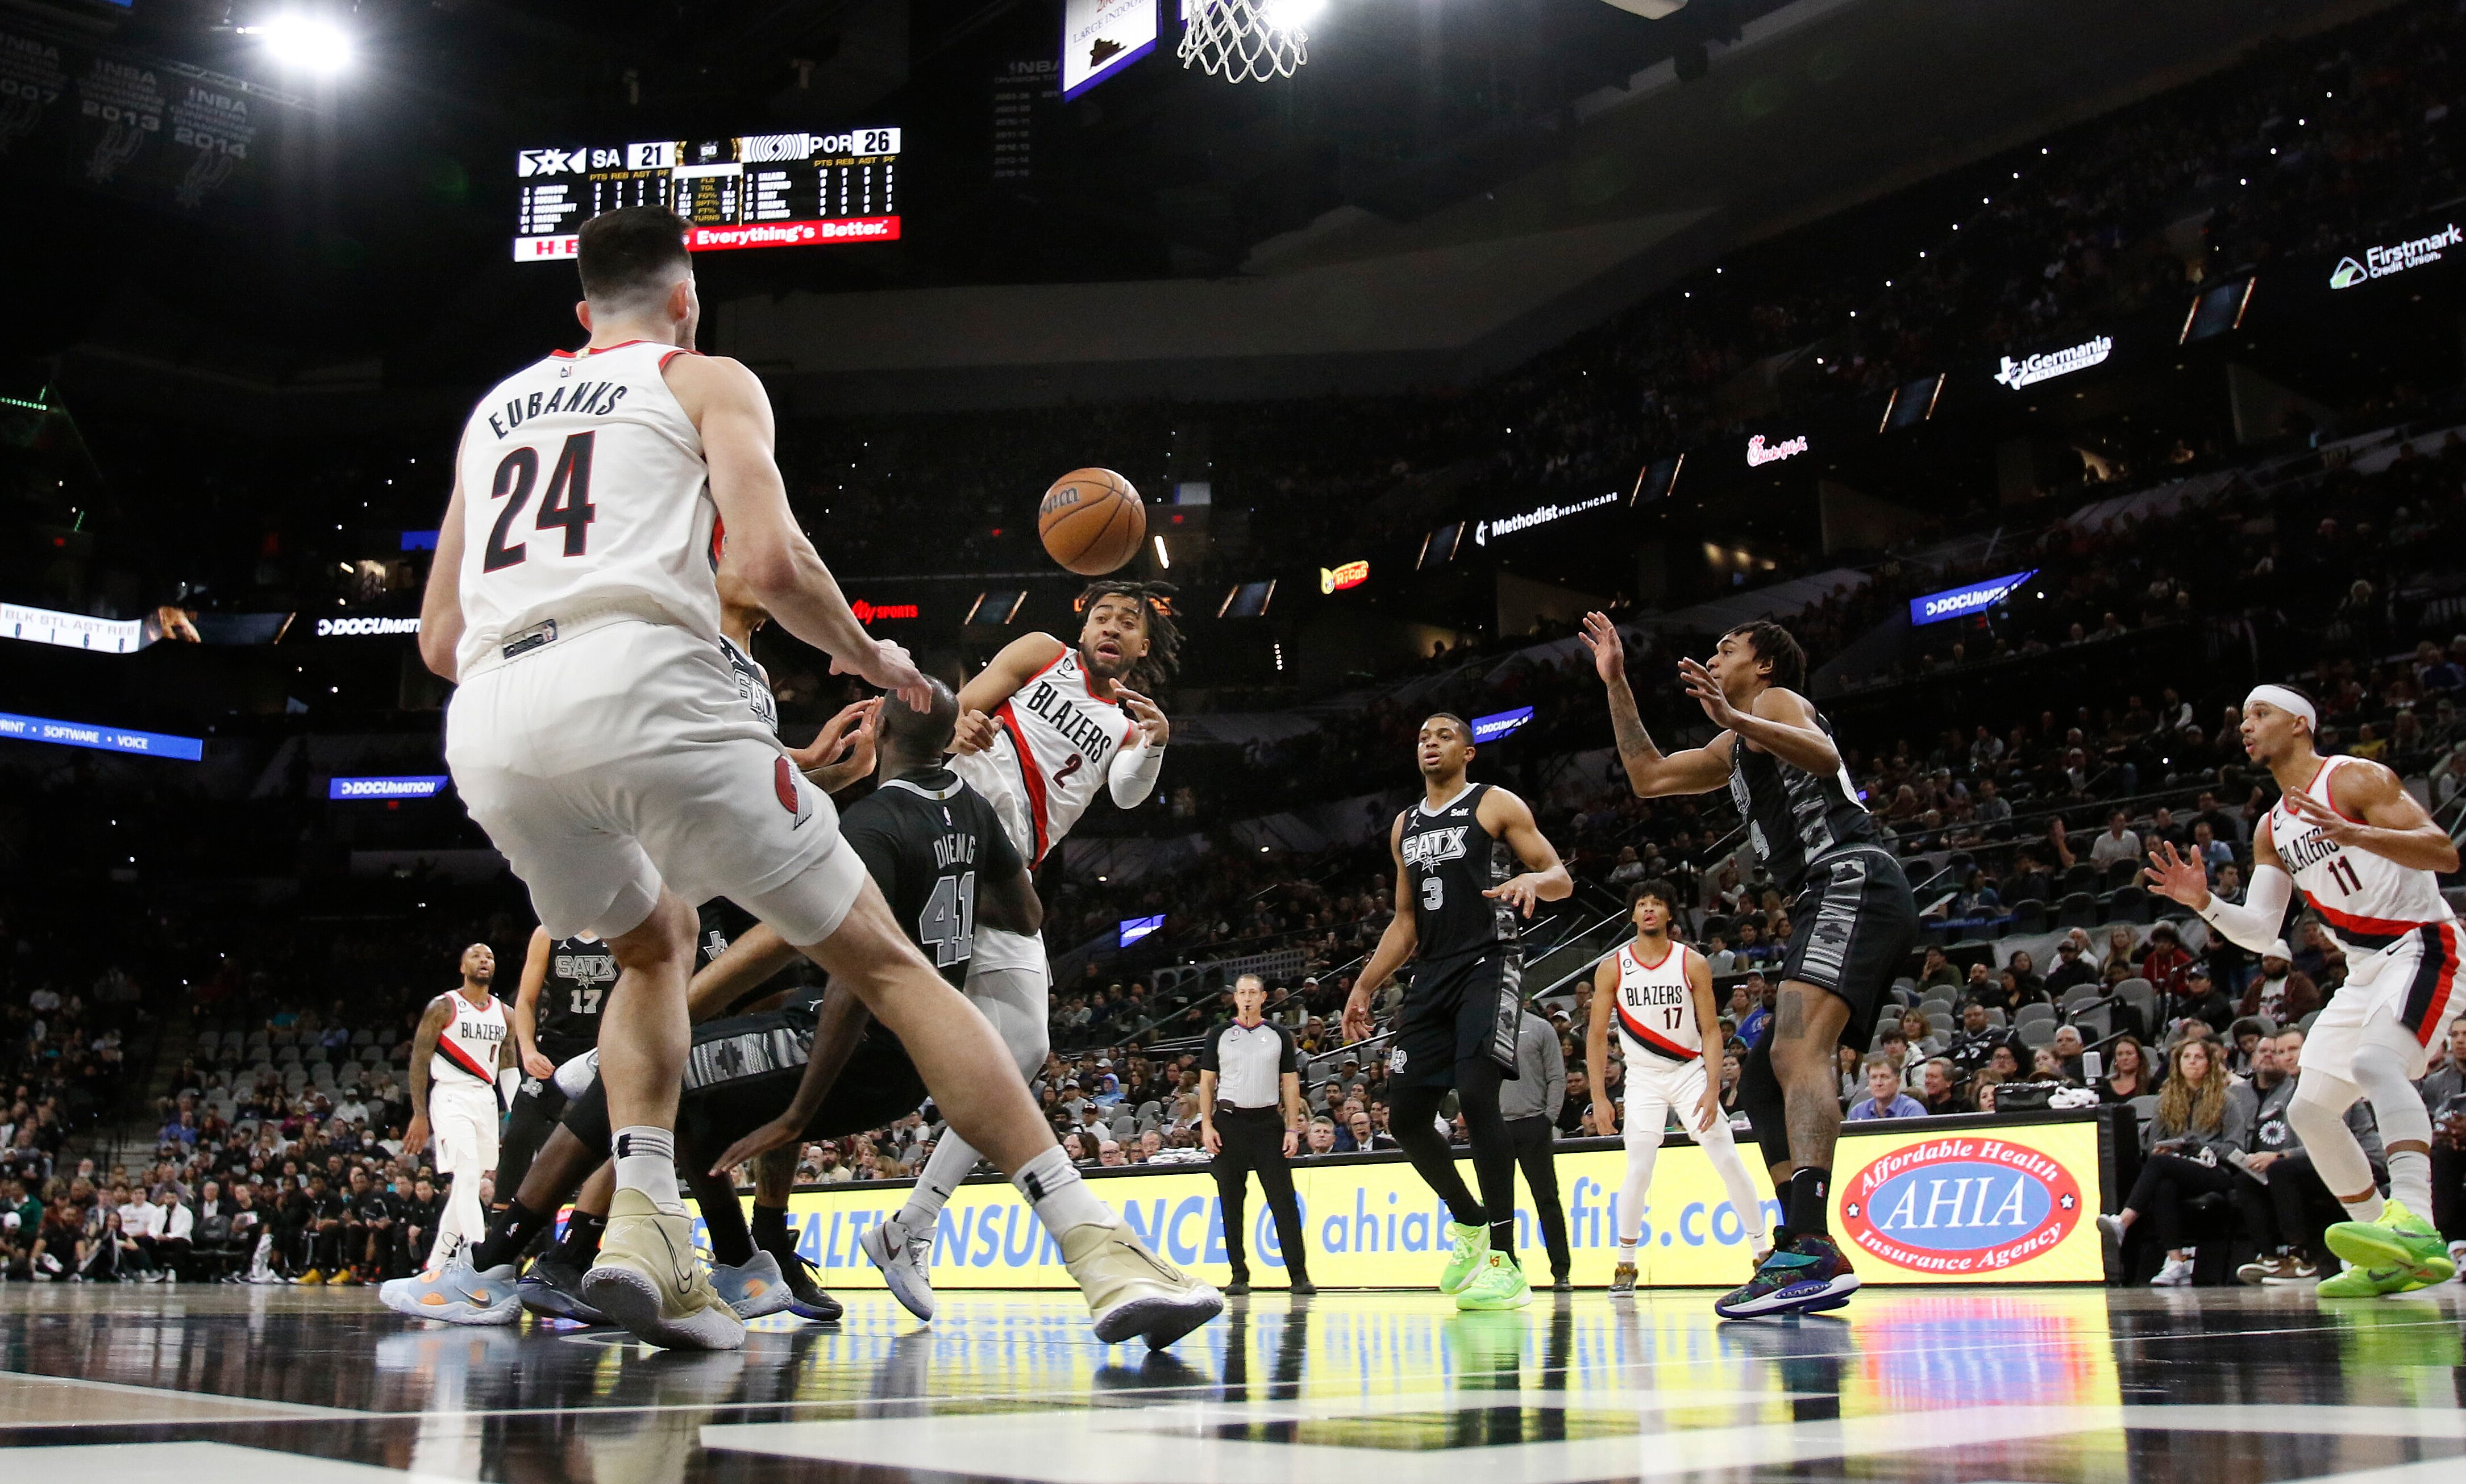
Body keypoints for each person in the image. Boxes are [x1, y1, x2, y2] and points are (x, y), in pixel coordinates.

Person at [417, 206, 1215, 1350]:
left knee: (652, 941)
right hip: (651, 689)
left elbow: (440, 640)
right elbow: (766, 560)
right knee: (888, 963)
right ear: (685, 299)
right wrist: (867, 651)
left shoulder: (494, 414)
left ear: (580, 312)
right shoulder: (704, 377)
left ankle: (647, 1230)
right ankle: (1097, 1246)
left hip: (491, 723)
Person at [1581, 612, 1917, 1318]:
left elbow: (1823, 758)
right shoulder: (1737, 739)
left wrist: (1734, 710)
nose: (1714, 653)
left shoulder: (1773, 702)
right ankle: (1796, 1243)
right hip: (1826, 891)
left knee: (1797, 1047)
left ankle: (1813, 1246)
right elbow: (1646, 776)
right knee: (1763, 1077)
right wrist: (1616, 684)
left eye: (1727, 647)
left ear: (1763, 665)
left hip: (1849, 872)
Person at [867, 578, 1180, 1320]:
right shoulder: (1041, 652)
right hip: (949, 819)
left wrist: (1158, 745)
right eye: (1102, 613)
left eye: (1126, 622)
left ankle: (912, 1223)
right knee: (869, 1027)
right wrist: (963, 726)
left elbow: (1131, 797)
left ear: (1141, 647)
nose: (1110, 625)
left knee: (1025, 1048)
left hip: (1007, 871)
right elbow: (961, 705)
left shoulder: (1132, 722)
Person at [2145, 682, 2461, 1295]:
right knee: (2308, 1110)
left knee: (2374, 1062)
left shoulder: (2353, 779)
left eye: (2259, 713)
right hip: (2365, 969)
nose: (2246, 725)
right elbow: (2264, 933)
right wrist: (2204, 902)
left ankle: (2418, 1224)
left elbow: (2443, 853)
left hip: (2423, 944)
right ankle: (2388, 1253)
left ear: (2298, 724)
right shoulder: (2272, 827)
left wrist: (2358, 834)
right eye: (2242, 717)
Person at [1345, 712, 1571, 1312]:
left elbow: (1560, 877)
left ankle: (1505, 1260)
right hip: (1432, 972)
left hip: (1489, 961)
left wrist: (1531, 880)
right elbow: (1405, 920)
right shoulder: (1403, 825)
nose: (1429, 742)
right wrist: (1365, 983)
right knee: (1406, 1118)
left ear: (1468, 751)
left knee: (1475, 1094)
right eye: (1421, 735)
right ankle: (1468, 1223)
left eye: (1443, 735)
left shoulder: (1494, 803)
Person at [1587, 879, 1768, 1295]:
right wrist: (1600, 1098)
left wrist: (1711, 1087)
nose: (1649, 910)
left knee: (1726, 1158)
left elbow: (1709, 1030)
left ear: (1669, 914)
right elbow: (1596, 1037)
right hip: (1643, 1078)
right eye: (1642, 904)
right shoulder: (1613, 966)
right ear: (1632, 915)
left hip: (1688, 1072)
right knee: (1638, 1167)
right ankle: (1625, 1263)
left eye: (1657, 903)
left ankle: (1761, 1252)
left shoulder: (1692, 963)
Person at [2096, 1039, 2257, 1285]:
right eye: (2186, 1057)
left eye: (2199, 1057)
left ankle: (2124, 1221)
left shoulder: (2228, 1101)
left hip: (2216, 1171)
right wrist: (2168, 1150)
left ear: (2209, 1064)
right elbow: (2152, 1148)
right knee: (2163, 1185)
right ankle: (2176, 1263)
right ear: (2178, 1064)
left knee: (2160, 1168)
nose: (2192, 1062)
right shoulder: (2165, 1101)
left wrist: (2199, 1145)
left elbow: (2236, 1149)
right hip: (2176, 1168)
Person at [2236, 1028, 2384, 1284]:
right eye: (2281, 1052)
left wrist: (2280, 1156)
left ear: (2311, 1049)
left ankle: (2302, 1256)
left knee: (2281, 1170)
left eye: (2293, 1049)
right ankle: (2272, 1258)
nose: (2287, 1057)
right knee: (2247, 1179)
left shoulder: (2330, 1084)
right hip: (2317, 1162)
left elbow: (2333, 1141)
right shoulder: (2285, 1091)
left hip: (2363, 1162)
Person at [1197, 976, 1313, 1297]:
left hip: (1267, 1123)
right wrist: (1206, 1124)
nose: (1247, 998)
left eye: (1253, 993)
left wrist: (1292, 1127)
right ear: (1235, 998)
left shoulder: (1278, 1035)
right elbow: (1207, 1083)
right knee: (1231, 1202)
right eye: (1242, 993)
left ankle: (1299, 1275)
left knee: (1283, 1201)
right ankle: (1238, 1274)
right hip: (1229, 1123)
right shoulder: (1219, 1034)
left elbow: (1290, 1084)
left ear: (1264, 997)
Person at [400, 944, 509, 1273]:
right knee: (466, 1174)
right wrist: (420, 1114)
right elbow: (419, 1062)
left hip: (486, 1099)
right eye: (476, 956)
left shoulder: (505, 1013)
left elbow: (509, 1066)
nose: (484, 961)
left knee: (469, 1181)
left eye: (490, 956)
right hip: (450, 1096)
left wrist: (518, 1114)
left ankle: (434, 1267)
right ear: (463, 966)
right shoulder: (444, 1006)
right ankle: (482, 1262)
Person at [495, 926, 612, 1222]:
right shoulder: (548, 934)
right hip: (556, 1046)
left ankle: (600, 1224)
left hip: (605, 1046)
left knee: (609, 1139)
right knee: (520, 1132)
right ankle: (500, 1222)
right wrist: (529, 1050)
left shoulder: (620, 928)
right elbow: (526, 1001)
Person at [1499, 999, 1571, 1290]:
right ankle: (1506, 1269)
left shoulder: (1541, 1028)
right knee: (1500, 1205)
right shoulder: (1487, 1032)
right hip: (1498, 1126)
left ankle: (1561, 1270)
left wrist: (1548, 1119)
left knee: (1547, 1199)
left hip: (1533, 1123)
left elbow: (1556, 1076)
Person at [1846, 1061, 1924, 1121]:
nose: (1879, 1083)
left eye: (1885, 1077)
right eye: (1874, 1078)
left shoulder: (1912, 1110)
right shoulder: (1858, 1112)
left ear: (1898, 1082)